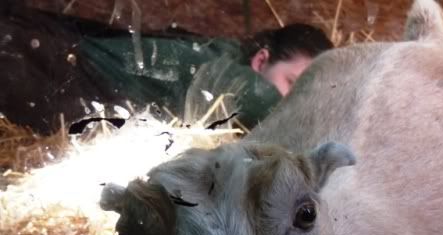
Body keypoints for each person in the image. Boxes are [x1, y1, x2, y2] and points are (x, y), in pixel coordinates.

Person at [0, 2, 333, 135]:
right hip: (58, 67)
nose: (293, 99)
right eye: (293, 83)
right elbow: (261, 102)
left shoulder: (227, 58)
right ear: (261, 61)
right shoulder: (230, 75)